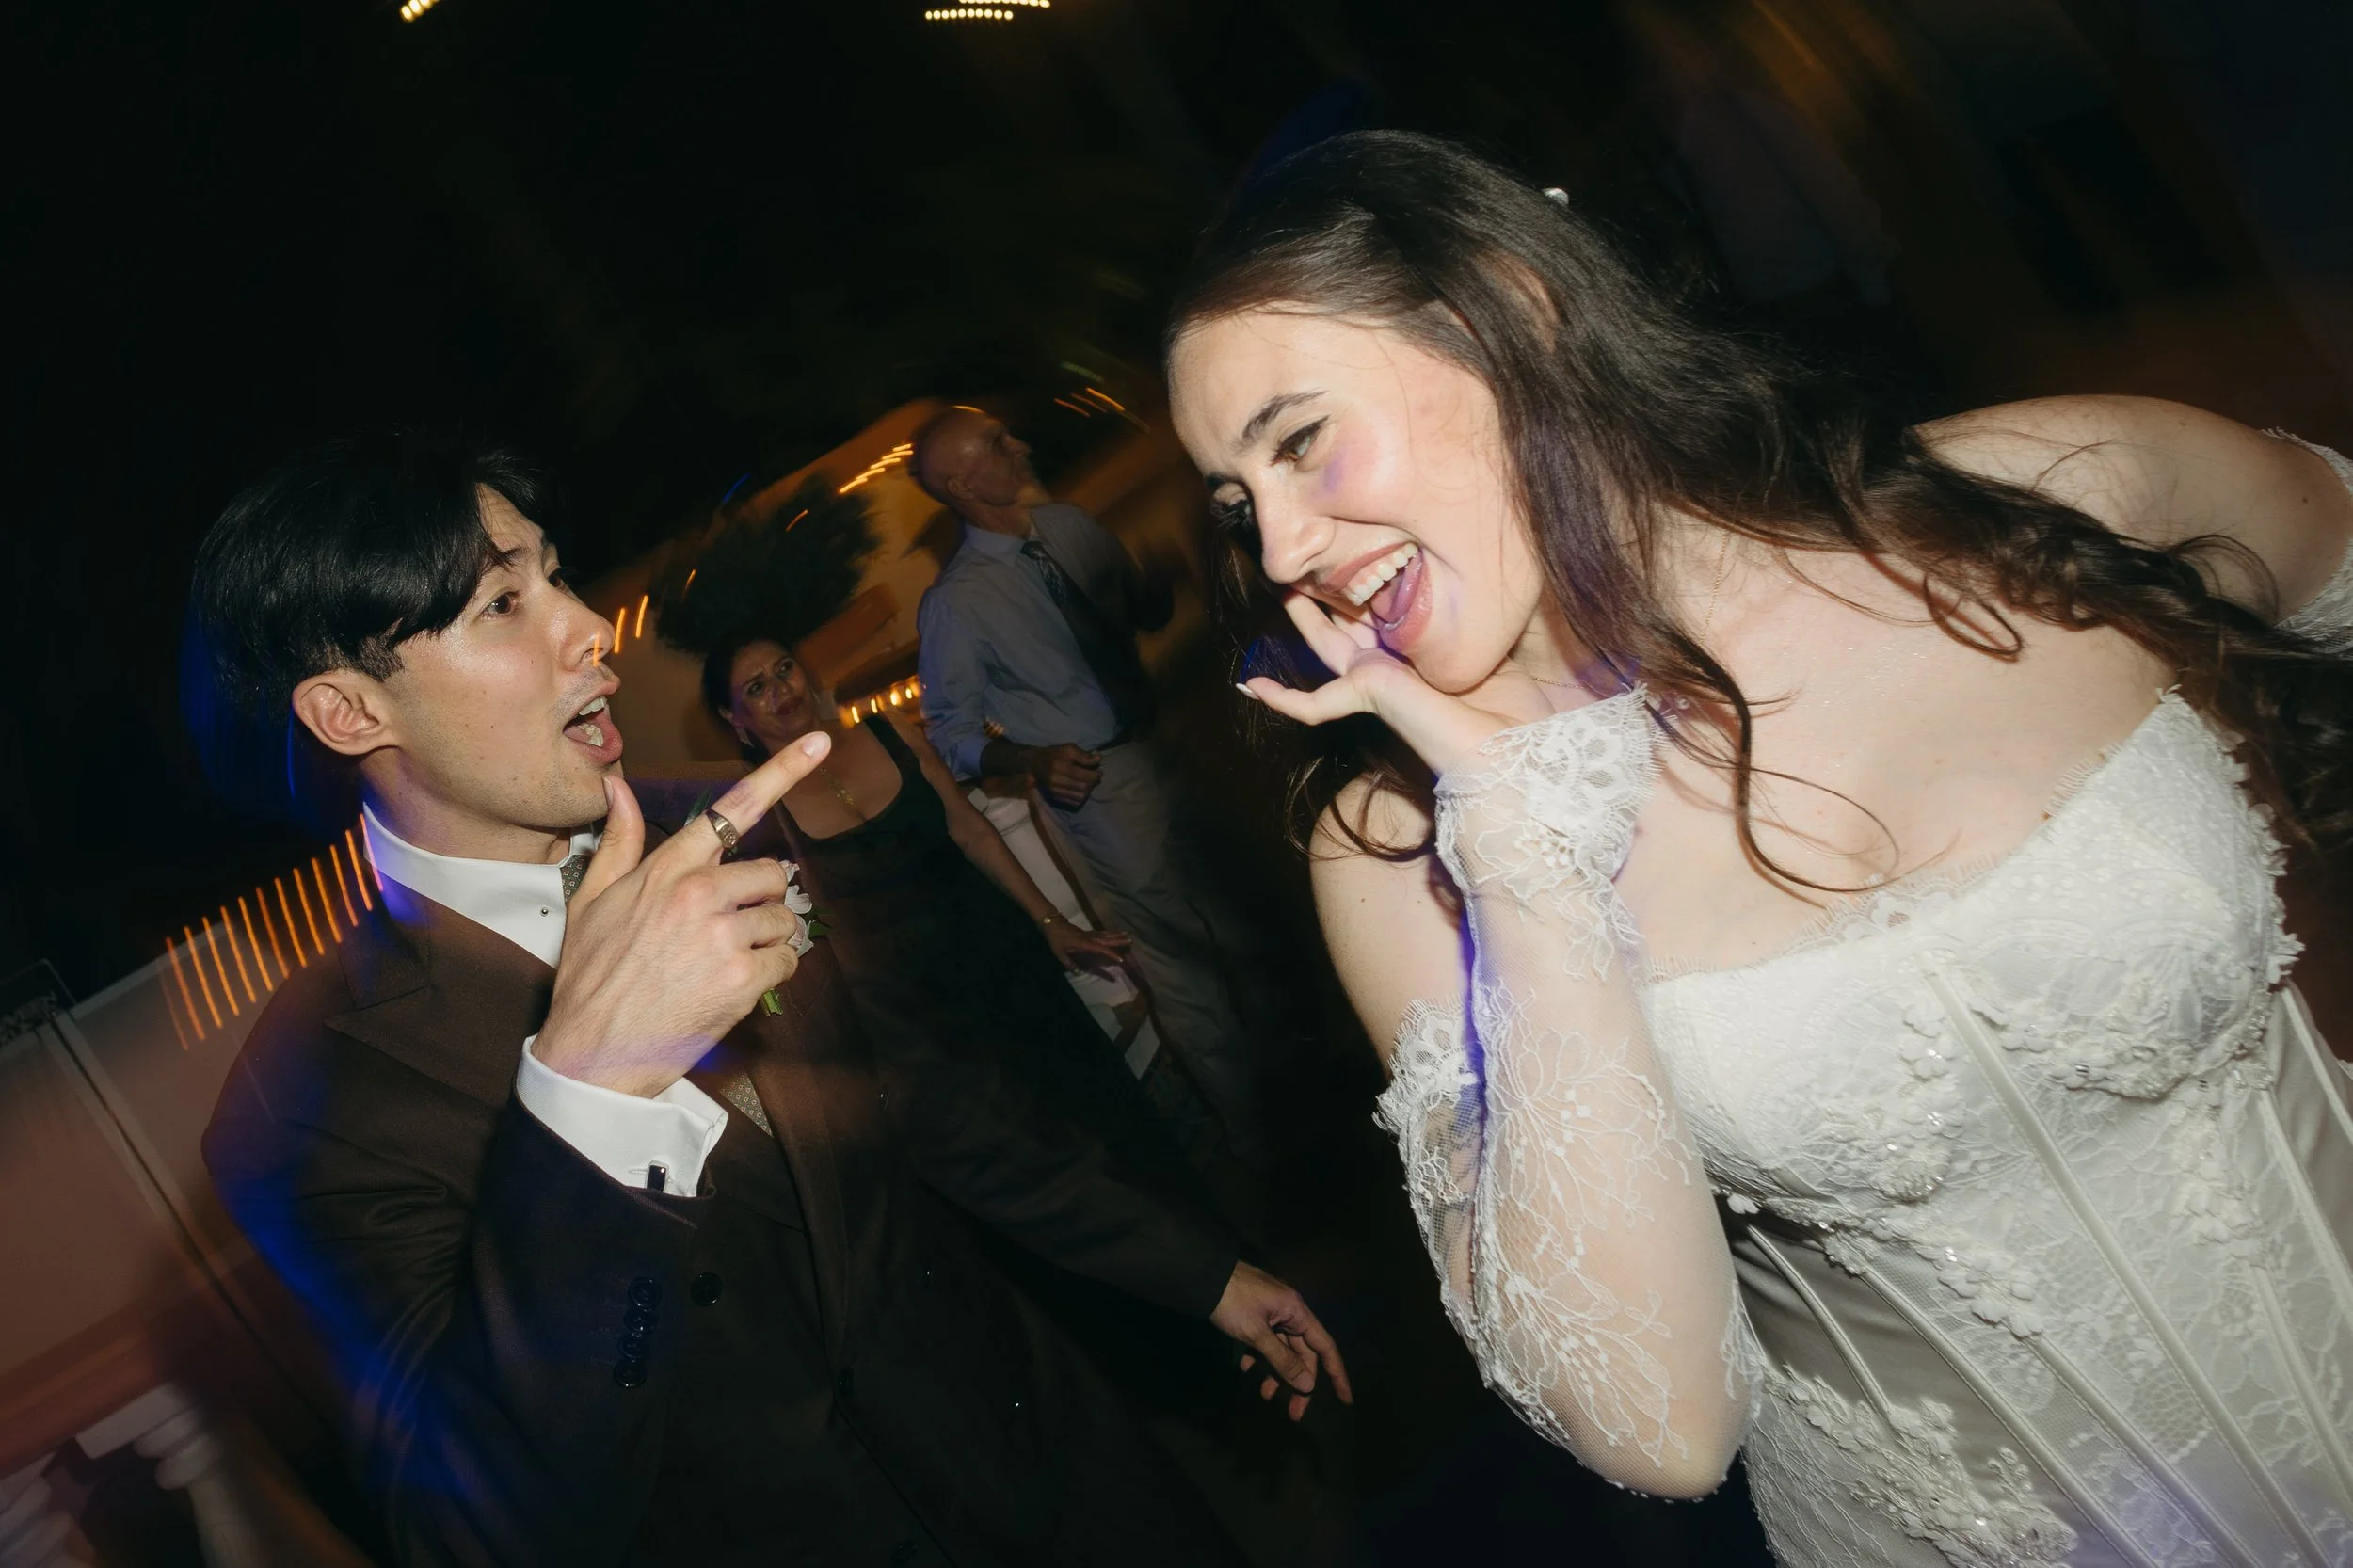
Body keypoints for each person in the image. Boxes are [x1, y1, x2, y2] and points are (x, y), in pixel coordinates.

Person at [1164, 131, 2353, 1566]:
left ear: (1512, 310)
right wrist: (1524, 856)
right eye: (1240, 502)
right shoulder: (1403, 843)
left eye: (1300, 441)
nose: (1284, 546)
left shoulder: (2031, 504)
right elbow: (1655, 1425)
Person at [187, 430, 1348, 1567]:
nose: (591, 630)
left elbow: (925, 1098)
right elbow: (490, 1523)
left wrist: (1195, 1268)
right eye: (501, 604)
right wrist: (586, 1092)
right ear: (350, 713)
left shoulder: (720, 822)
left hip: (1057, 1474)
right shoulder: (299, 1110)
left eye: (555, 576)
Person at [688, 632, 1242, 1222]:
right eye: (757, 687)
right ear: (735, 717)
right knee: (1033, 1162)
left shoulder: (889, 734)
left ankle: (1212, 1256)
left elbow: (971, 830)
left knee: (1103, 1108)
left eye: (784, 669)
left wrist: (1050, 923)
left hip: (1002, 954)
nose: (781, 690)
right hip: (925, 1017)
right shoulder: (756, 814)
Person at [913, 407, 1272, 1165]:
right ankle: (1261, 1139)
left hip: (1171, 747)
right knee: (1178, 963)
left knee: (1241, 916)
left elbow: (1132, 617)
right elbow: (951, 732)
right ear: (960, 481)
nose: (1023, 443)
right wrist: (1030, 762)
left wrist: (1156, 582)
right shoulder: (957, 605)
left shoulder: (1072, 529)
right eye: (1000, 442)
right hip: (1100, 794)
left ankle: (1302, 1090)